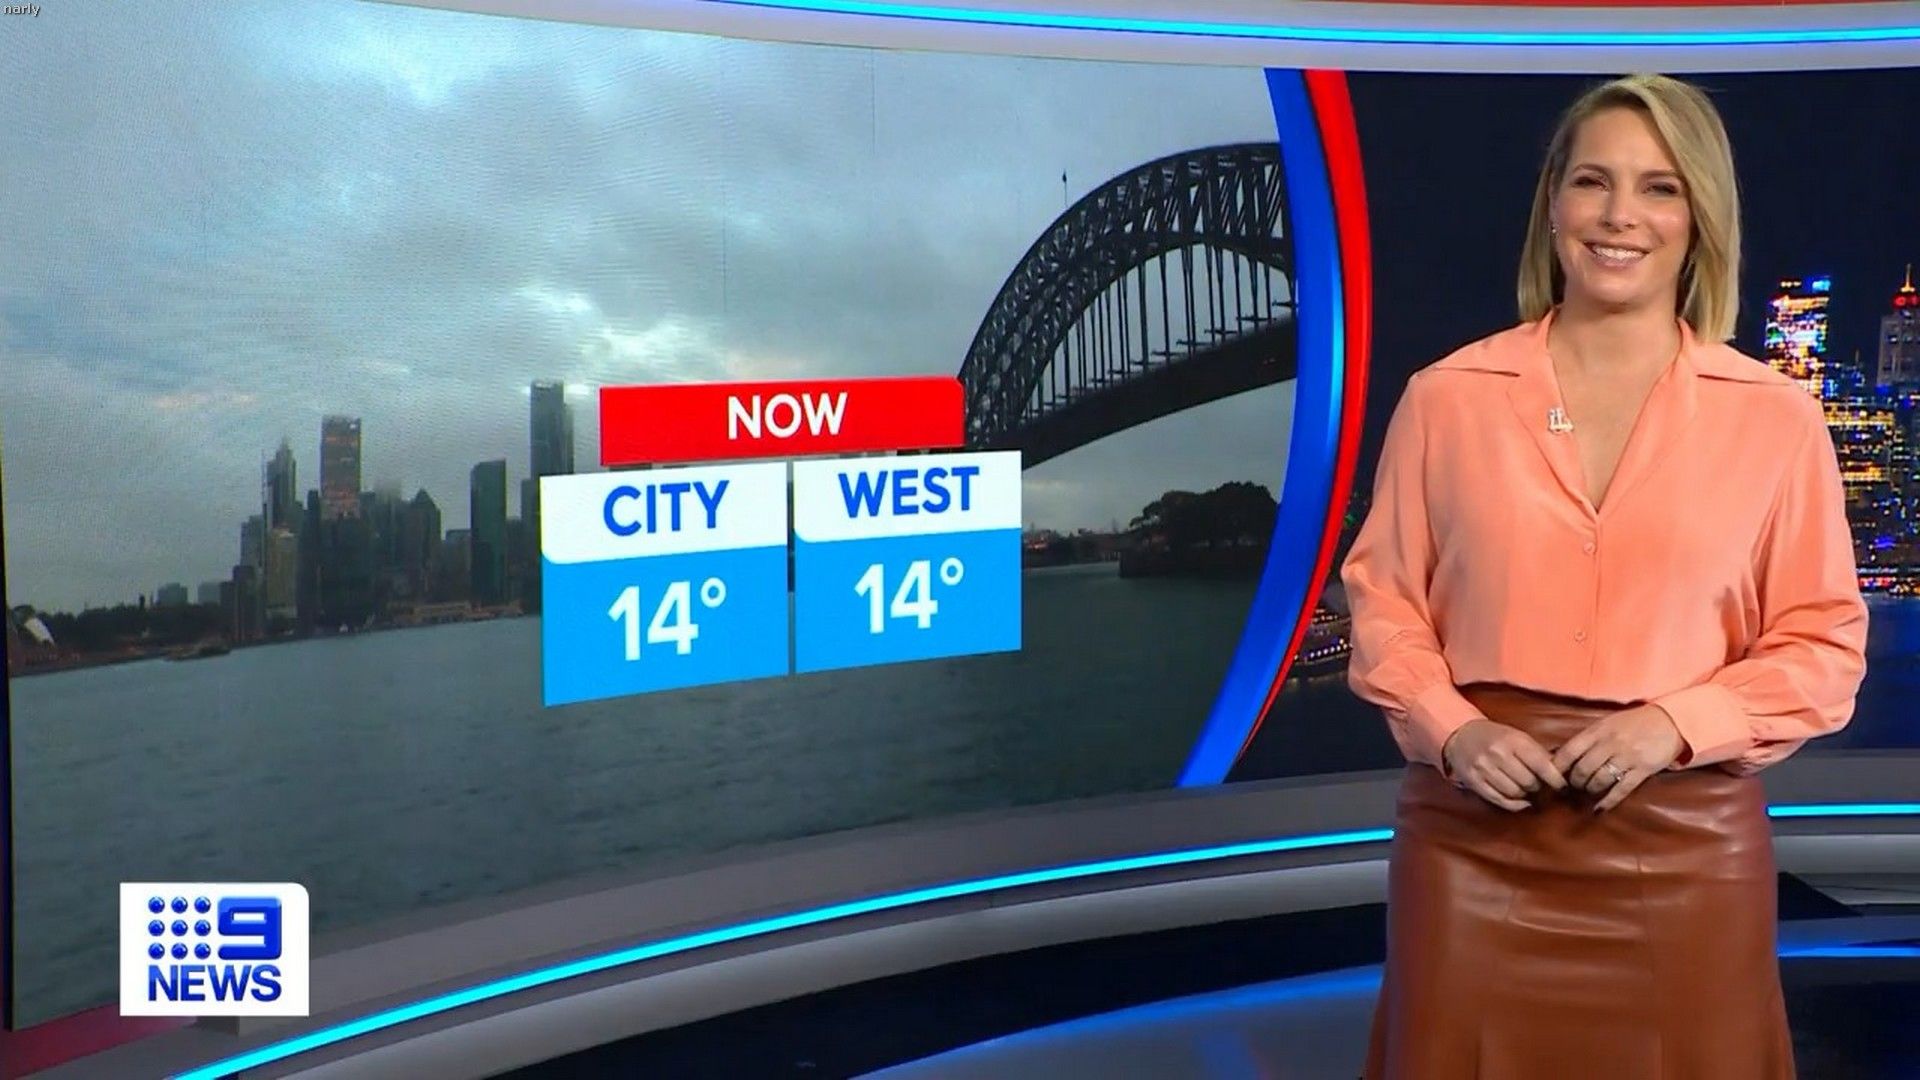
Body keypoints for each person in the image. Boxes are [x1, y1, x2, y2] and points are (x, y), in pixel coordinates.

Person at [1341, 73, 1869, 1079]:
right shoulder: (1446, 398)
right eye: (1593, 181)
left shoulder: (1777, 419)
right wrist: (1453, 729)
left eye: (1660, 188)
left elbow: (1823, 646)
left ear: (1700, 219)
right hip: (1472, 843)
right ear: (1553, 205)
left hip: (1685, 849)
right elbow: (1385, 602)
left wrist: (1675, 724)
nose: (1620, 215)